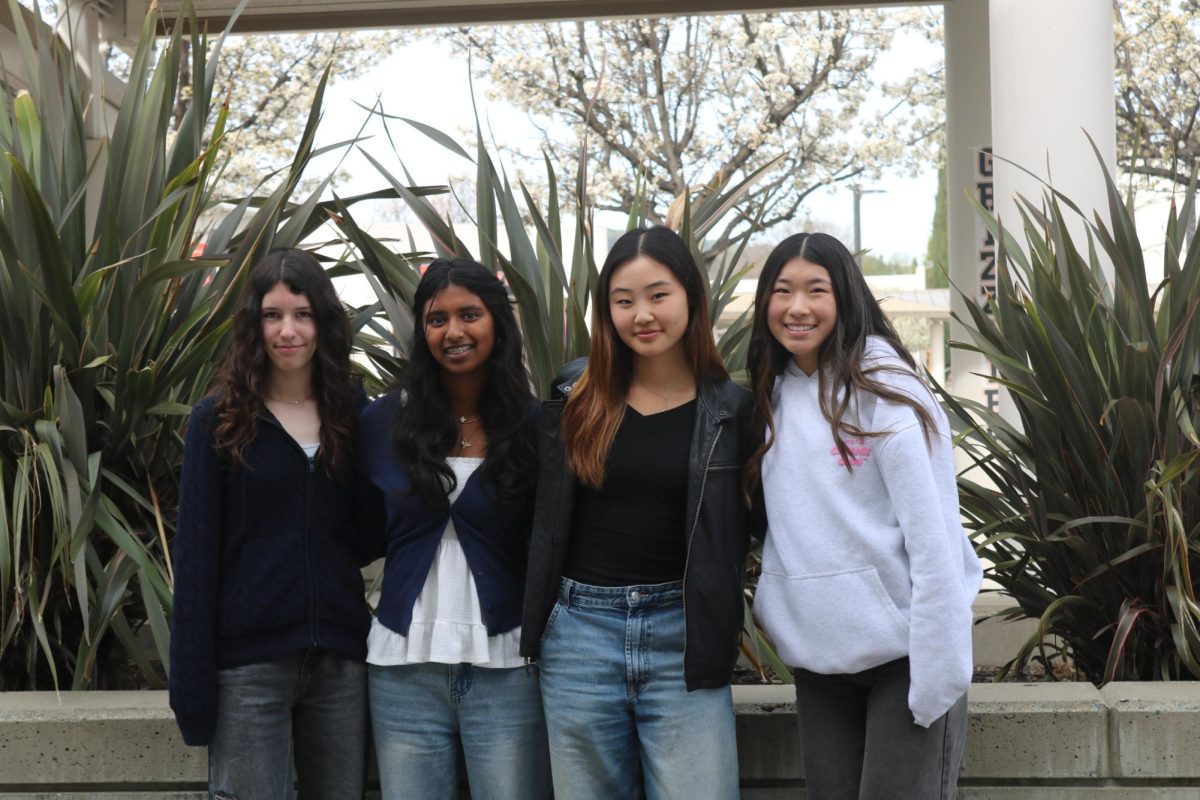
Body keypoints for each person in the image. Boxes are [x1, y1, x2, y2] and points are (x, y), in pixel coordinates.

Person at [521, 225, 761, 800]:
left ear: (690, 299)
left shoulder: (732, 409)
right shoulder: (576, 392)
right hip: (581, 634)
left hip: (686, 634)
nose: (642, 315)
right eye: (623, 301)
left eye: (658, 295)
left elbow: (756, 525)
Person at [746, 231, 983, 800]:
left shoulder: (889, 393)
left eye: (815, 290)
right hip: (819, 664)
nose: (797, 307)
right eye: (782, 291)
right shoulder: (768, 396)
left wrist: (937, 674)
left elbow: (934, 541)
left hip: (905, 661)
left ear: (845, 297)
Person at [169, 248, 370, 799]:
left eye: (302, 314)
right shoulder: (218, 420)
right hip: (249, 667)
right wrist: (190, 691)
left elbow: (369, 529)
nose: (288, 331)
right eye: (272, 315)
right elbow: (195, 559)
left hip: (339, 664)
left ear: (322, 322)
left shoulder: (350, 411)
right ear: (253, 325)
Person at [358, 258, 551, 800]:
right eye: (436, 319)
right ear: (421, 330)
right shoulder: (381, 422)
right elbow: (359, 531)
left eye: (470, 314)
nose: (454, 332)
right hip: (403, 668)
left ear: (498, 323)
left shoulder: (538, 426)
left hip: (509, 666)